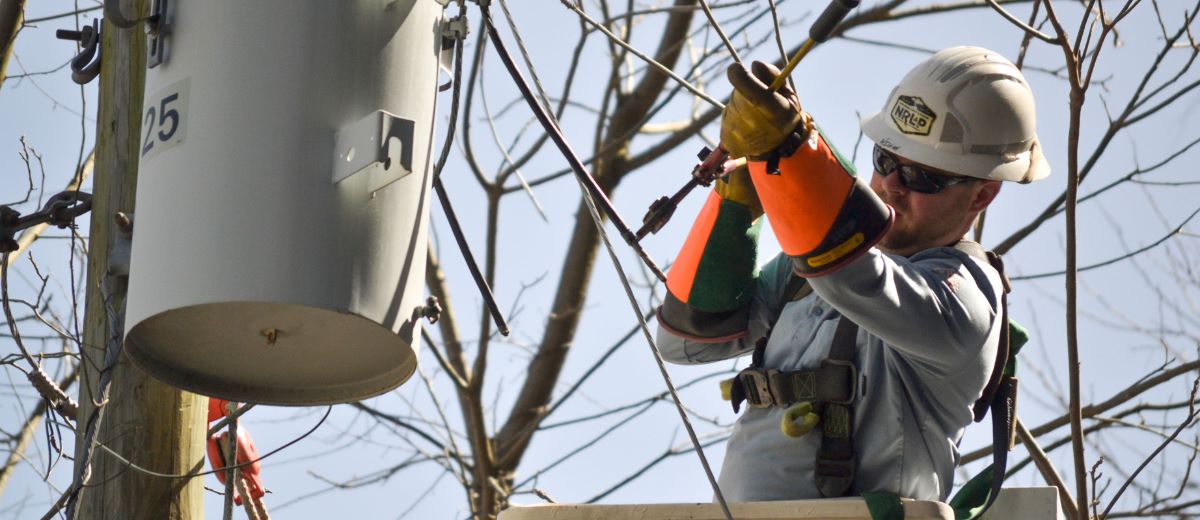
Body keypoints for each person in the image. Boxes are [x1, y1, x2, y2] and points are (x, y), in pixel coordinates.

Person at [656, 46, 1050, 503]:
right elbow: (685, 342)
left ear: (982, 196)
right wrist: (739, 195)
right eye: (886, 160)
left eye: (924, 177)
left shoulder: (966, 302)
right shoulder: (806, 271)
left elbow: (860, 279)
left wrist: (791, 153)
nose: (893, 185)